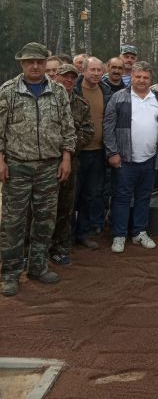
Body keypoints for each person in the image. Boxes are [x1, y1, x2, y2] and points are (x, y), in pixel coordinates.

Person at [0, 42, 76, 296]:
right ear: (21, 63)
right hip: (17, 166)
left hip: (48, 167)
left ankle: (38, 265)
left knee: (45, 220)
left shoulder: (57, 91)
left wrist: (66, 158)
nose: (35, 66)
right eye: (30, 61)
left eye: (40, 62)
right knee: (13, 222)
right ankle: (10, 273)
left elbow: (67, 128)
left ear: (46, 64)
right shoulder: (8, 91)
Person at [104, 61, 158, 253]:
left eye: (145, 77)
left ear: (150, 79)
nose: (142, 80)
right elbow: (108, 127)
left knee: (143, 197)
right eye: (138, 77)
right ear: (132, 77)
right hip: (125, 159)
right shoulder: (118, 97)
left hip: (149, 159)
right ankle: (119, 235)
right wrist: (112, 152)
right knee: (121, 198)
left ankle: (139, 232)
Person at [50, 64, 94, 266]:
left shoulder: (81, 104)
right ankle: (30, 251)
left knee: (65, 207)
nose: (68, 80)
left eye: (71, 78)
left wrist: (69, 148)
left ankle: (60, 248)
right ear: (55, 77)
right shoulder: (45, 100)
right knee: (37, 209)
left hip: (70, 162)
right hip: (43, 162)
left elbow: (87, 131)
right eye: (64, 76)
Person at [74, 56, 112, 247]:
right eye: (92, 70)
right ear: (83, 70)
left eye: (99, 70)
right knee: (72, 195)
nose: (96, 73)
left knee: (91, 194)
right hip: (76, 153)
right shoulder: (73, 90)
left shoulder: (106, 91)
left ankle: (83, 232)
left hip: (98, 152)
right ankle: (66, 236)